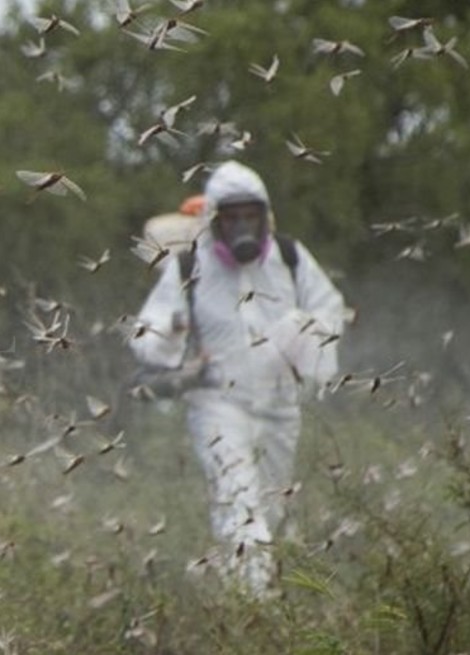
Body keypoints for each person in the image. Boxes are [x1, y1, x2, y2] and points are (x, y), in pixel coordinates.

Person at [129, 161, 346, 594]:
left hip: (282, 405)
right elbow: (144, 335)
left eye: (251, 215)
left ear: (265, 216)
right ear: (215, 220)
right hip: (218, 404)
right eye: (233, 217)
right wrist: (174, 325)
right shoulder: (189, 264)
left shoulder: (290, 256)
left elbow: (330, 309)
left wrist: (303, 335)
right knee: (241, 510)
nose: (243, 225)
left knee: (271, 513)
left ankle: (231, 603)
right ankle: (258, 612)